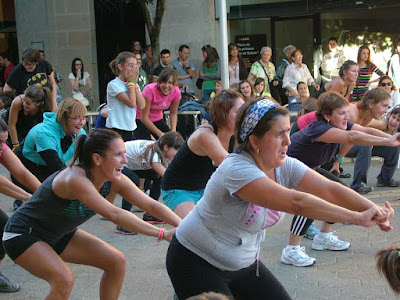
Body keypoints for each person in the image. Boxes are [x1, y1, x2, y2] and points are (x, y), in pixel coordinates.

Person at [166, 98, 393, 300]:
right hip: (195, 260)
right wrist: (356, 217)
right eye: (278, 134)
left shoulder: (283, 165)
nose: (288, 141)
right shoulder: (236, 169)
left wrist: (373, 209)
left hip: (242, 264)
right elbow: (297, 202)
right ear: (255, 141)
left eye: (287, 131)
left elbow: (330, 188)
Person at [2, 129, 182, 299]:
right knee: (64, 280)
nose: (125, 161)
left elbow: (151, 205)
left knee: (115, 261)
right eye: (118, 154)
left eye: (124, 153)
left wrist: (183, 226)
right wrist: (162, 233)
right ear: (97, 158)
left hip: (58, 234)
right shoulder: (75, 179)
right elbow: (115, 214)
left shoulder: (114, 178)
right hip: (22, 234)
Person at [281, 92, 400, 267]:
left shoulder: (340, 125)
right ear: (328, 116)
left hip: (308, 168)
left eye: (347, 112)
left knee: (340, 193)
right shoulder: (320, 128)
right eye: (342, 113)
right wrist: (389, 143)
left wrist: (391, 137)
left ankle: (323, 237)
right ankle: (291, 250)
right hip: (286, 168)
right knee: (311, 201)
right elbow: (352, 138)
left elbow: (364, 130)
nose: (347, 117)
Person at [161, 90, 244, 218]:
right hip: (178, 189)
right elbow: (231, 166)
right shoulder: (204, 134)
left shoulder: (235, 135)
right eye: (239, 112)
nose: (244, 116)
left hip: (204, 188)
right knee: (198, 230)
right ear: (223, 114)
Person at [115, 131, 184, 234]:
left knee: (158, 177)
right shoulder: (153, 152)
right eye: (176, 149)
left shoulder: (162, 151)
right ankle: (122, 223)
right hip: (117, 163)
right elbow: (167, 176)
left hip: (132, 165)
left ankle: (150, 214)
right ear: (166, 147)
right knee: (133, 181)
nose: (178, 153)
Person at [0, 119, 41, 293]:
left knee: (4, 230)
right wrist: (29, 197)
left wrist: (43, 195)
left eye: (3, 142)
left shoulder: (2, 147)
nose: (1, 146)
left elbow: (22, 172)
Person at [16, 98, 86, 183]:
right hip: (26, 168)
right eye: (76, 118)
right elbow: (55, 165)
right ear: (64, 117)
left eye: (84, 118)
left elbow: (87, 159)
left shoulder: (80, 133)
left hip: (46, 168)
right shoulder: (44, 132)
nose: (82, 122)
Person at [106, 51, 145, 142]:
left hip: (130, 127)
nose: (134, 69)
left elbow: (142, 105)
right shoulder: (114, 85)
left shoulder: (133, 84)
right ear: (120, 67)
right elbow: (131, 103)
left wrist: (134, 85)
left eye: (135, 66)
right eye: (131, 65)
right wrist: (131, 83)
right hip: (116, 128)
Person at [135, 68, 180, 140]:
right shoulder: (150, 89)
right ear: (159, 82)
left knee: (171, 141)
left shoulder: (176, 92)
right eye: (164, 82)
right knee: (146, 143)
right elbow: (144, 118)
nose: (166, 86)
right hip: (141, 118)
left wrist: (173, 131)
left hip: (157, 118)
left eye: (170, 83)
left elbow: (173, 113)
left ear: (174, 84)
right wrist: (160, 134)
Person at [8, 85, 53, 149]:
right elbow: (11, 125)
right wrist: (15, 145)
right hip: (13, 130)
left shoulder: (44, 110)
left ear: (38, 104)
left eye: (28, 103)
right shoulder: (17, 102)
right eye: (24, 101)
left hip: (29, 132)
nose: (24, 104)